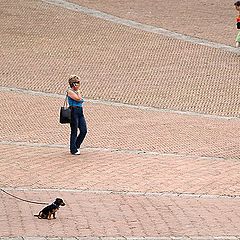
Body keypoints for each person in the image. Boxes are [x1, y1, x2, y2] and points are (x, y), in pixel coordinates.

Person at [67, 75, 87, 155]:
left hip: (80, 111)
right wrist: (78, 93)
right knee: (74, 130)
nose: (79, 85)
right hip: (73, 111)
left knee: (84, 130)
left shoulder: (77, 91)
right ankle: (73, 149)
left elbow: (81, 100)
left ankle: (76, 145)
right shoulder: (70, 91)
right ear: (74, 84)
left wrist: (79, 95)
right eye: (78, 83)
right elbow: (78, 99)